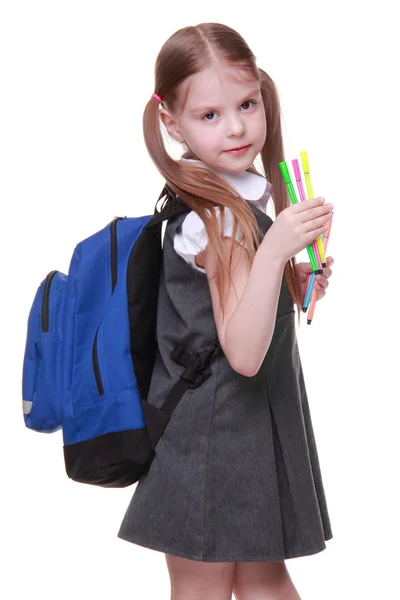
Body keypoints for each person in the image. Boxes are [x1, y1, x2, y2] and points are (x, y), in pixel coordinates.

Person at [117, 22, 334, 600]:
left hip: (253, 425)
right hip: (207, 431)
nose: (236, 126)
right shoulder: (212, 216)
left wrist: (298, 276)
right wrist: (275, 253)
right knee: (202, 586)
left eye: (245, 103)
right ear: (172, 123)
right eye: (209, 115)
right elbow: (241, 352)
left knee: (264, 577)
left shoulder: (254, 192)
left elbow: (249, 313)